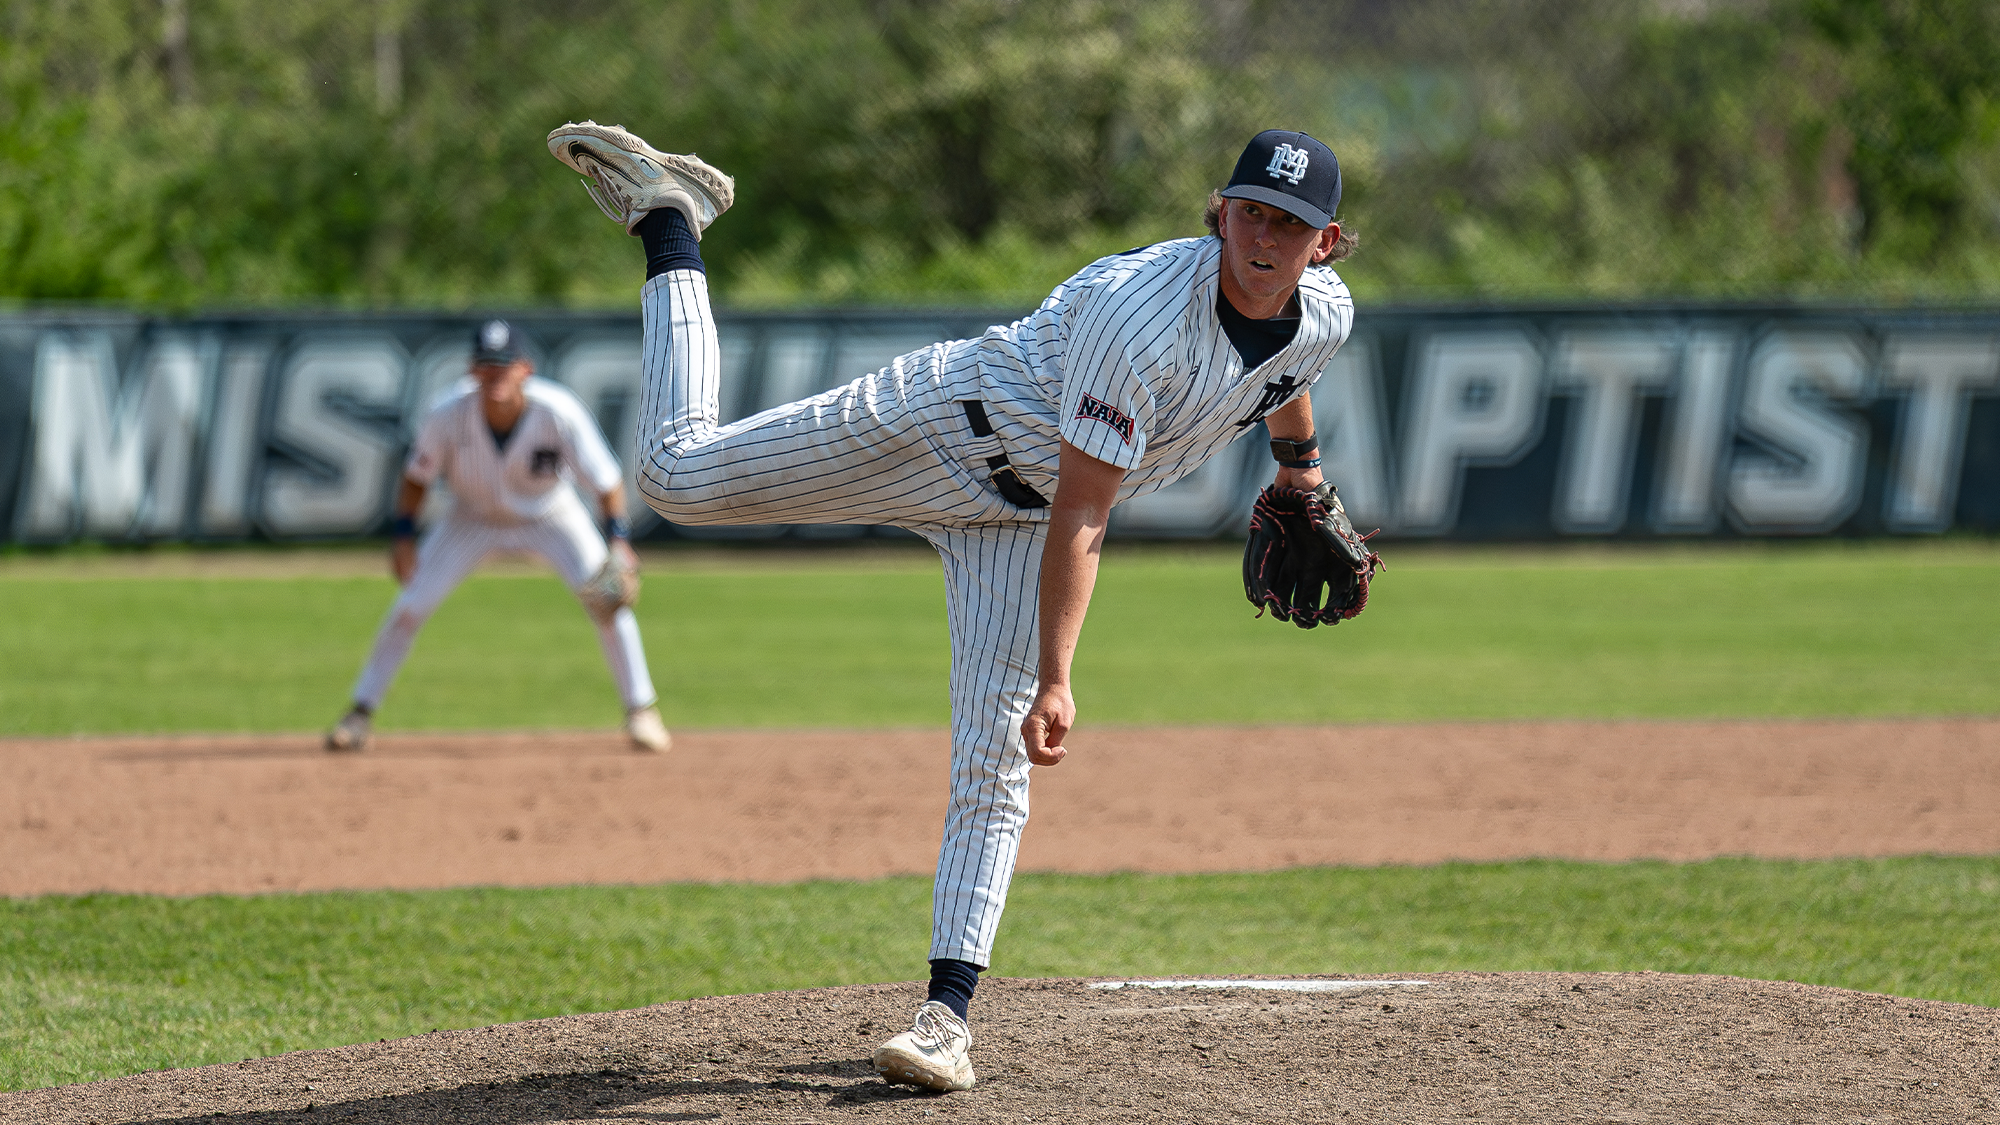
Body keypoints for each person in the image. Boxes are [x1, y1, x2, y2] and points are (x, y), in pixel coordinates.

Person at [547, 120, 1356, 1090]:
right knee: (674, 475)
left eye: (1291, 224)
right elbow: (1085, 512)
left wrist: (1300, 473)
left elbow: (1284, 372)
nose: (1265, 238)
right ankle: (672, 218)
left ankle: (944, 1019)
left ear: (1327, 243)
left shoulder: (1325, 312)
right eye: (1252, 213)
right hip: (938, 429)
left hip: (1013, 527)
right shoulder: (1139, 317)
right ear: (1219, 213)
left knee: (997, 757)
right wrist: (1057, 677)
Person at [325, 319, 670, 755]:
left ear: (525, 369)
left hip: (550, 514)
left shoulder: (557, 411)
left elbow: (606, 481)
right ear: (472, 371)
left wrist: (618, 540)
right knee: (410, 607)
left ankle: (642, 710)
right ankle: (359, 714)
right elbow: (417, 478)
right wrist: (403, 537)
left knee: (607, 601)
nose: (494, 377)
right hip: (470, 518)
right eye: (485, 367)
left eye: (503, 367)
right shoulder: (447, 413)